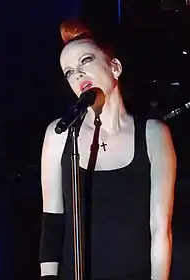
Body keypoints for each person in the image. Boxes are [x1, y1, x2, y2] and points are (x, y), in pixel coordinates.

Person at [39, 19, 176, 280]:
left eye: (85, 61)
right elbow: (52, 221)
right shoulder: (60, 133)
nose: (77, 74)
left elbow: (160, 229)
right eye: (68, 72)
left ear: (115, 67)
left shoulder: (153, 135)